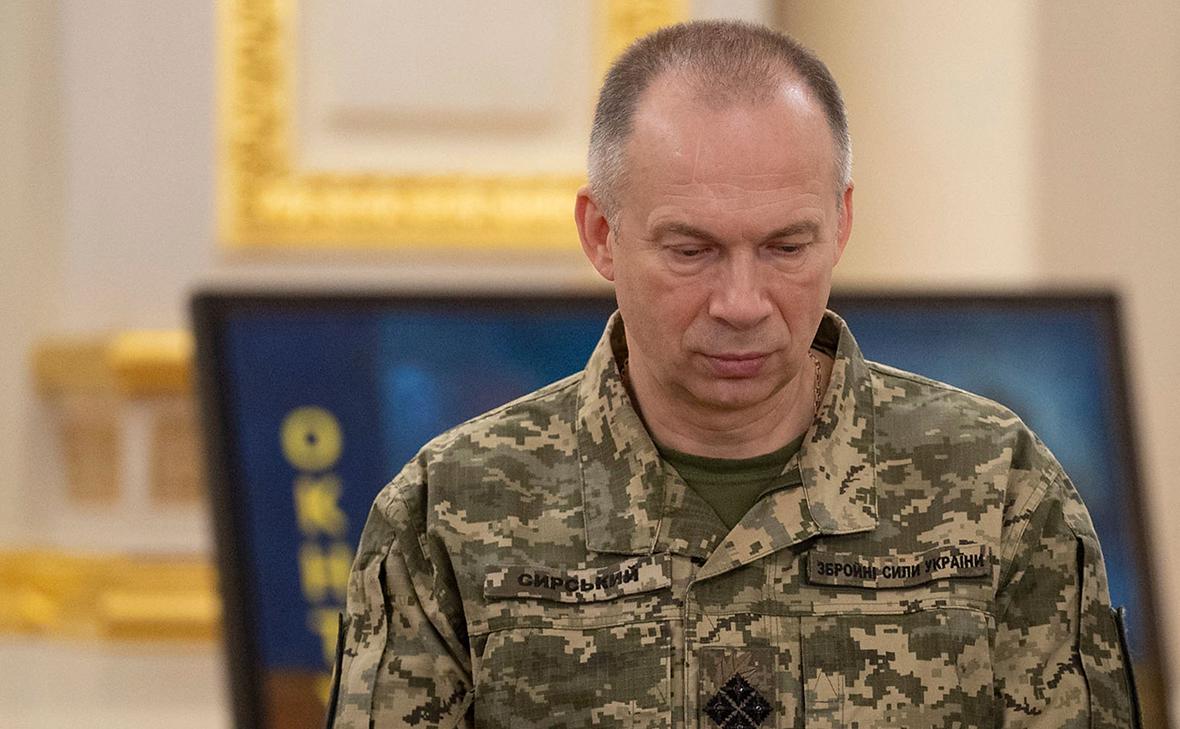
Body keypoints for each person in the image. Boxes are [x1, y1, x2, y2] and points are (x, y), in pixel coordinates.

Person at [328, 20, 1140, 729]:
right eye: (692, 250)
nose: (742, 303)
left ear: (841, 223)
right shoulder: (450, 511)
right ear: (602, 233)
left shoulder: (998, 489)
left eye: (786, 246)